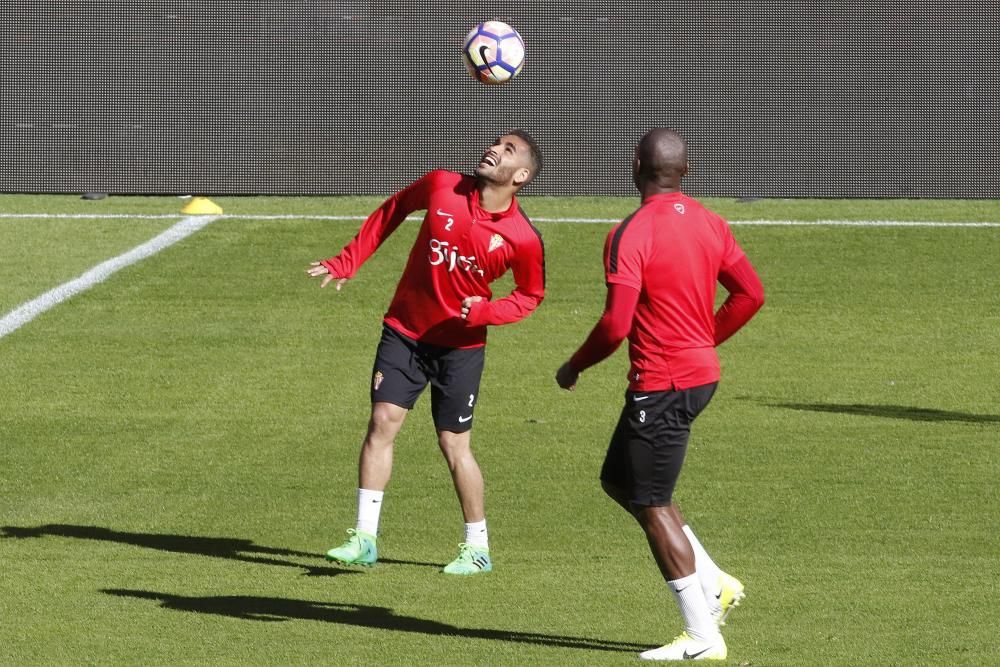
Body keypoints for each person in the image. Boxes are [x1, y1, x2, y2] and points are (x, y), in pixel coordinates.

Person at [555, 128, 764, 660]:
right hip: (696, 376)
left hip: (665, 383)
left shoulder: (631, 233)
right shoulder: (711, 223)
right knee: (619, 481)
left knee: (651, 503)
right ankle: (715, 582)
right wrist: (703, 339)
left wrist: (574, 364)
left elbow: (615, 324)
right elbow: (750, 293)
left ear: (635, 165)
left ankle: (702, 636)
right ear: (684, 173)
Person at [307, 130, 545, 575]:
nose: (493, 149)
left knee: (454, 444)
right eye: (496, 143)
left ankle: (477, 547)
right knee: (382, 421)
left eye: (507, 150)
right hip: (405, 331)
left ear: (521, 175)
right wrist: (349, 260)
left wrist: (488, 311)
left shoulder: (522, 238)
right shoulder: (441, 186)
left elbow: (531, 294)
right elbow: (393, 209)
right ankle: (364, 537)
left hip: (460, 346)